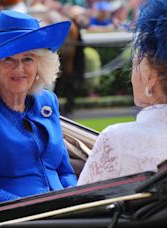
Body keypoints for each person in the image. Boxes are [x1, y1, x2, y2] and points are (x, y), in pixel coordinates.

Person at [0, 10, 77, 208]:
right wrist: (33, 209)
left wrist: (74, 198)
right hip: (14, 217)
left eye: (28, 59)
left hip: (64, 211)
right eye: (8, 59)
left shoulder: (48, 101)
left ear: (40, 64)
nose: (18, 68)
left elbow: (65, 172)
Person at [78, 0, 167, 185]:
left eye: (134, 65)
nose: (131, 76)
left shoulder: (117, 138)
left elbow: (78, 206)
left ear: (151, 79)